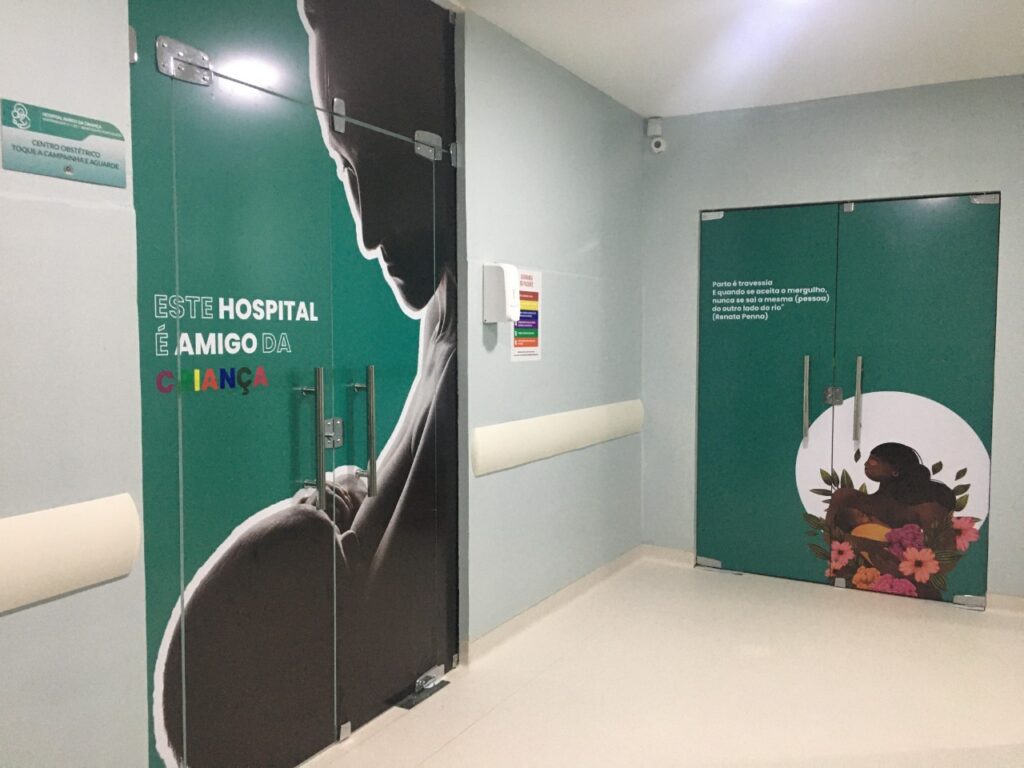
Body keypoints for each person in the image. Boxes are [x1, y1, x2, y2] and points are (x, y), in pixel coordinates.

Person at [154, 1, 457, 765]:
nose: (368, 233)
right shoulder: (449, 343)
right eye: (347, 169)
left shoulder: (451, 335)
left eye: (380, 163)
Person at [826, 442, 956, 536]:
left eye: (873, 461)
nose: (866, 463)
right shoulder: (846, 497)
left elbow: (940, 552)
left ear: (895, 471)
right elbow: (828, 538)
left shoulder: (924, 508)